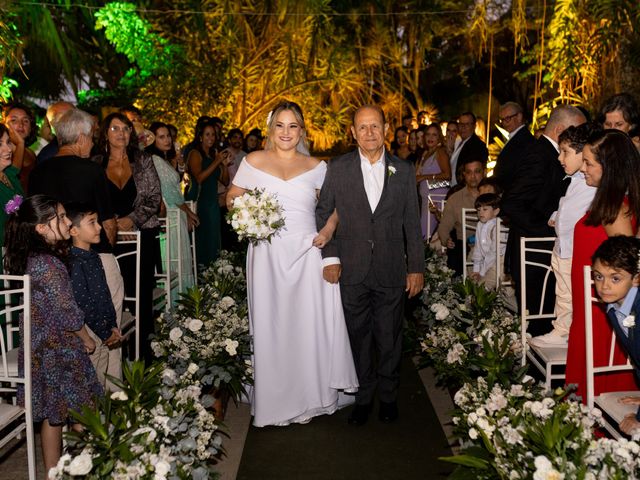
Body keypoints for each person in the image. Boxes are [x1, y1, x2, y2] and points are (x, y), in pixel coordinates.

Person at [227, 100, 358, 427]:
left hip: (307, 252)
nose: (286, 132)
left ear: (301, 130)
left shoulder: (317, 166)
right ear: (271, 129)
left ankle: (312, 395)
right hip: (267, 255)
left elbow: (336, 207)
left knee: (308, 323)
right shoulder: (254, 160)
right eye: (280, 125)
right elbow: (231, 197)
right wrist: (247, 217)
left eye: (293, 126)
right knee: (272, 324)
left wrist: (328, 230)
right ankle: (275, 399)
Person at [316, 104, 424, 426]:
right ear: (353, 132)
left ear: (386, 128)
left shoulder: (403, 170)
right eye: (362, 127)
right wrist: (331, 256)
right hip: (352, 268)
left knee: (389, 337)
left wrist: (415, 267)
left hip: (391, 269)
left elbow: (411, 223)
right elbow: (324, 213)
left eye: (375, 126)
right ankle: (363, 398)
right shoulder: (338, 167)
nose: (369, 133)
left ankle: (389, 398)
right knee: (358, 337)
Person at [4, 195, 102, 474]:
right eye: (60, 217)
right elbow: (67, 313)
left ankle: (52, 472)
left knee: (53, 415)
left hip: (37, 350)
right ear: (41, 228)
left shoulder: (28, 259)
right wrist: (86, 338)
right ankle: (85, 467)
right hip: (59, 350)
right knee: (85, 407)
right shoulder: (49, 265)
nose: (68, 221)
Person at [565, 129, 640, 402]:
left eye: (589, 163)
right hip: (590, 309)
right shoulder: (606, 202)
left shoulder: (616, 208)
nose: (582, 169)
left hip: (602, 313)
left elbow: (629, 264)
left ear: (609, 168)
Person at [95, 112, 162, 363]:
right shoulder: (96, 162)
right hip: (107, 239)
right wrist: (109, 223)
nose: (121, 133)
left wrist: (131, 220)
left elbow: (154, 198)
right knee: (111, 294)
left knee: (141, 295)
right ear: (105, 133)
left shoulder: (143, 159)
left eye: (125, 128)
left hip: (143, 232)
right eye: (115, 129)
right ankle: (113, 358)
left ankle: (144, 356)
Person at [530, 124, 597, 347]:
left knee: (570, 295)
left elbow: (579, 216)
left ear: (583, 152)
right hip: (563, 248)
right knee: (563, 293)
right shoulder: (575, 180)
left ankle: (565, 332)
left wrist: (559, 218)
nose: (560, 158)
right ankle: (562, 329)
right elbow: (567, 210)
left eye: (565, 152)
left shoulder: (591, 185)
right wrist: (556, 214)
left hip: (573, 250)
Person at [66, 202, 122, 388]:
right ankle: (94, 416)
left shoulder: (94, 257)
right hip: (89, 329)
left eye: (98, 221)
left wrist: (113, 325)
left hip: (103, 328)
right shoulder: (74, 262)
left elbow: (104, 295)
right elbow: (82, 302)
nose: (99, 227)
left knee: (102, 374)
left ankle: (103, 414)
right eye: (92, 222)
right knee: (92, 382)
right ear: (73, 231)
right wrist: (104, 331)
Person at [592, 236, 640, 436]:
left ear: (636, 278)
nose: (604, 286)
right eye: (598, 276)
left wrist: (638, 418)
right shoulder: (613, 308)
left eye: (615, 278)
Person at [147, 121, 198, 293]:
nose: (167, 140)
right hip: (171, 213)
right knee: (174, 258)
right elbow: (170, 193)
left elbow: (179, 182)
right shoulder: (155, 160)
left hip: (176, 211)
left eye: (168, 135)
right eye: (161, 137)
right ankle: (175, 303)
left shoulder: (164, 159)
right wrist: (189, 212)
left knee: (179, 257)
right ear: (152, 140)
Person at [187, 118, 228, 267]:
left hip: (213, 203)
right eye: (207, 134)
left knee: (214, 241)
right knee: (202, 240)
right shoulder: (195, 154)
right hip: (201, 203)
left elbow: (225, 181)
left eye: (213, 135)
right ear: (200, 137)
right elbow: (198, 178)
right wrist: (217, 161)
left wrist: (223, 165)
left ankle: (214, 275)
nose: (211, 138)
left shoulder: (213, 155)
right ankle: (202, 276)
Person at [435, 159, 485, 276]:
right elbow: (444, 226)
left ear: (484, 172)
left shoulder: (492, 195)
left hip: (490, 245)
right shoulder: (455, 198)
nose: (473, 176)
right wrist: (446, 240)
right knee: (456, 251)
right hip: (464, 246)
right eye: (469, 172)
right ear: (464, 175)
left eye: (477, 171)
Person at [491, 102, 536, 195]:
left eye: (507, 118)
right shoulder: (516, 138)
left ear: (519, 117)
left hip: (514, 193)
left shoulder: (525, 140)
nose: (504, 123)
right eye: (502, 120)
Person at [416, 123, 451, 239]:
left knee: (425, 235)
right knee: (424, 234)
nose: (430, 138)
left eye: (434, 135)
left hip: (436, 198)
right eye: (428, 134)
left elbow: (447, 175)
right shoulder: (425, 153)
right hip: (426, 198)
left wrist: (425, 177)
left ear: (439, 137)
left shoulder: (440, 152)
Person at [470, 193, 504, 289]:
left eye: (485, 209)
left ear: (496, 211)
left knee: (482, 288)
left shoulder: (499, 226)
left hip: (500, 263)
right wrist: (476, 270)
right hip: (488, 262)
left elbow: (494, 253)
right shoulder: (480, 225)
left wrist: (482, 272)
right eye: (478, 210)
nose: (481, 213)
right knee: (473, 283)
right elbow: (478, 248)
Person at [0, 124, 23, 266]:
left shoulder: (9, 174)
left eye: (8, 142)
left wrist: (20, 143)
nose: (8, 149)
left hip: (15, 254)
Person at [3, 102, 37, 192]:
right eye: (14, 120)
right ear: (4, 124)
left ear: (30, 128)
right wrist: (20, 144)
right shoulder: (2, 154)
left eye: (25, 121)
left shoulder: (30, 152)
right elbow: (12, 176)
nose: (21, 125)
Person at [449, 112, 488, 186]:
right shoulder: (457, 142)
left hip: (465, 190)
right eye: (461, 124)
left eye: (467, 124)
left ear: (474, 126)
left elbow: (478, 173)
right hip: (453, 189)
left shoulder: (478, 145)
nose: (463, 127)